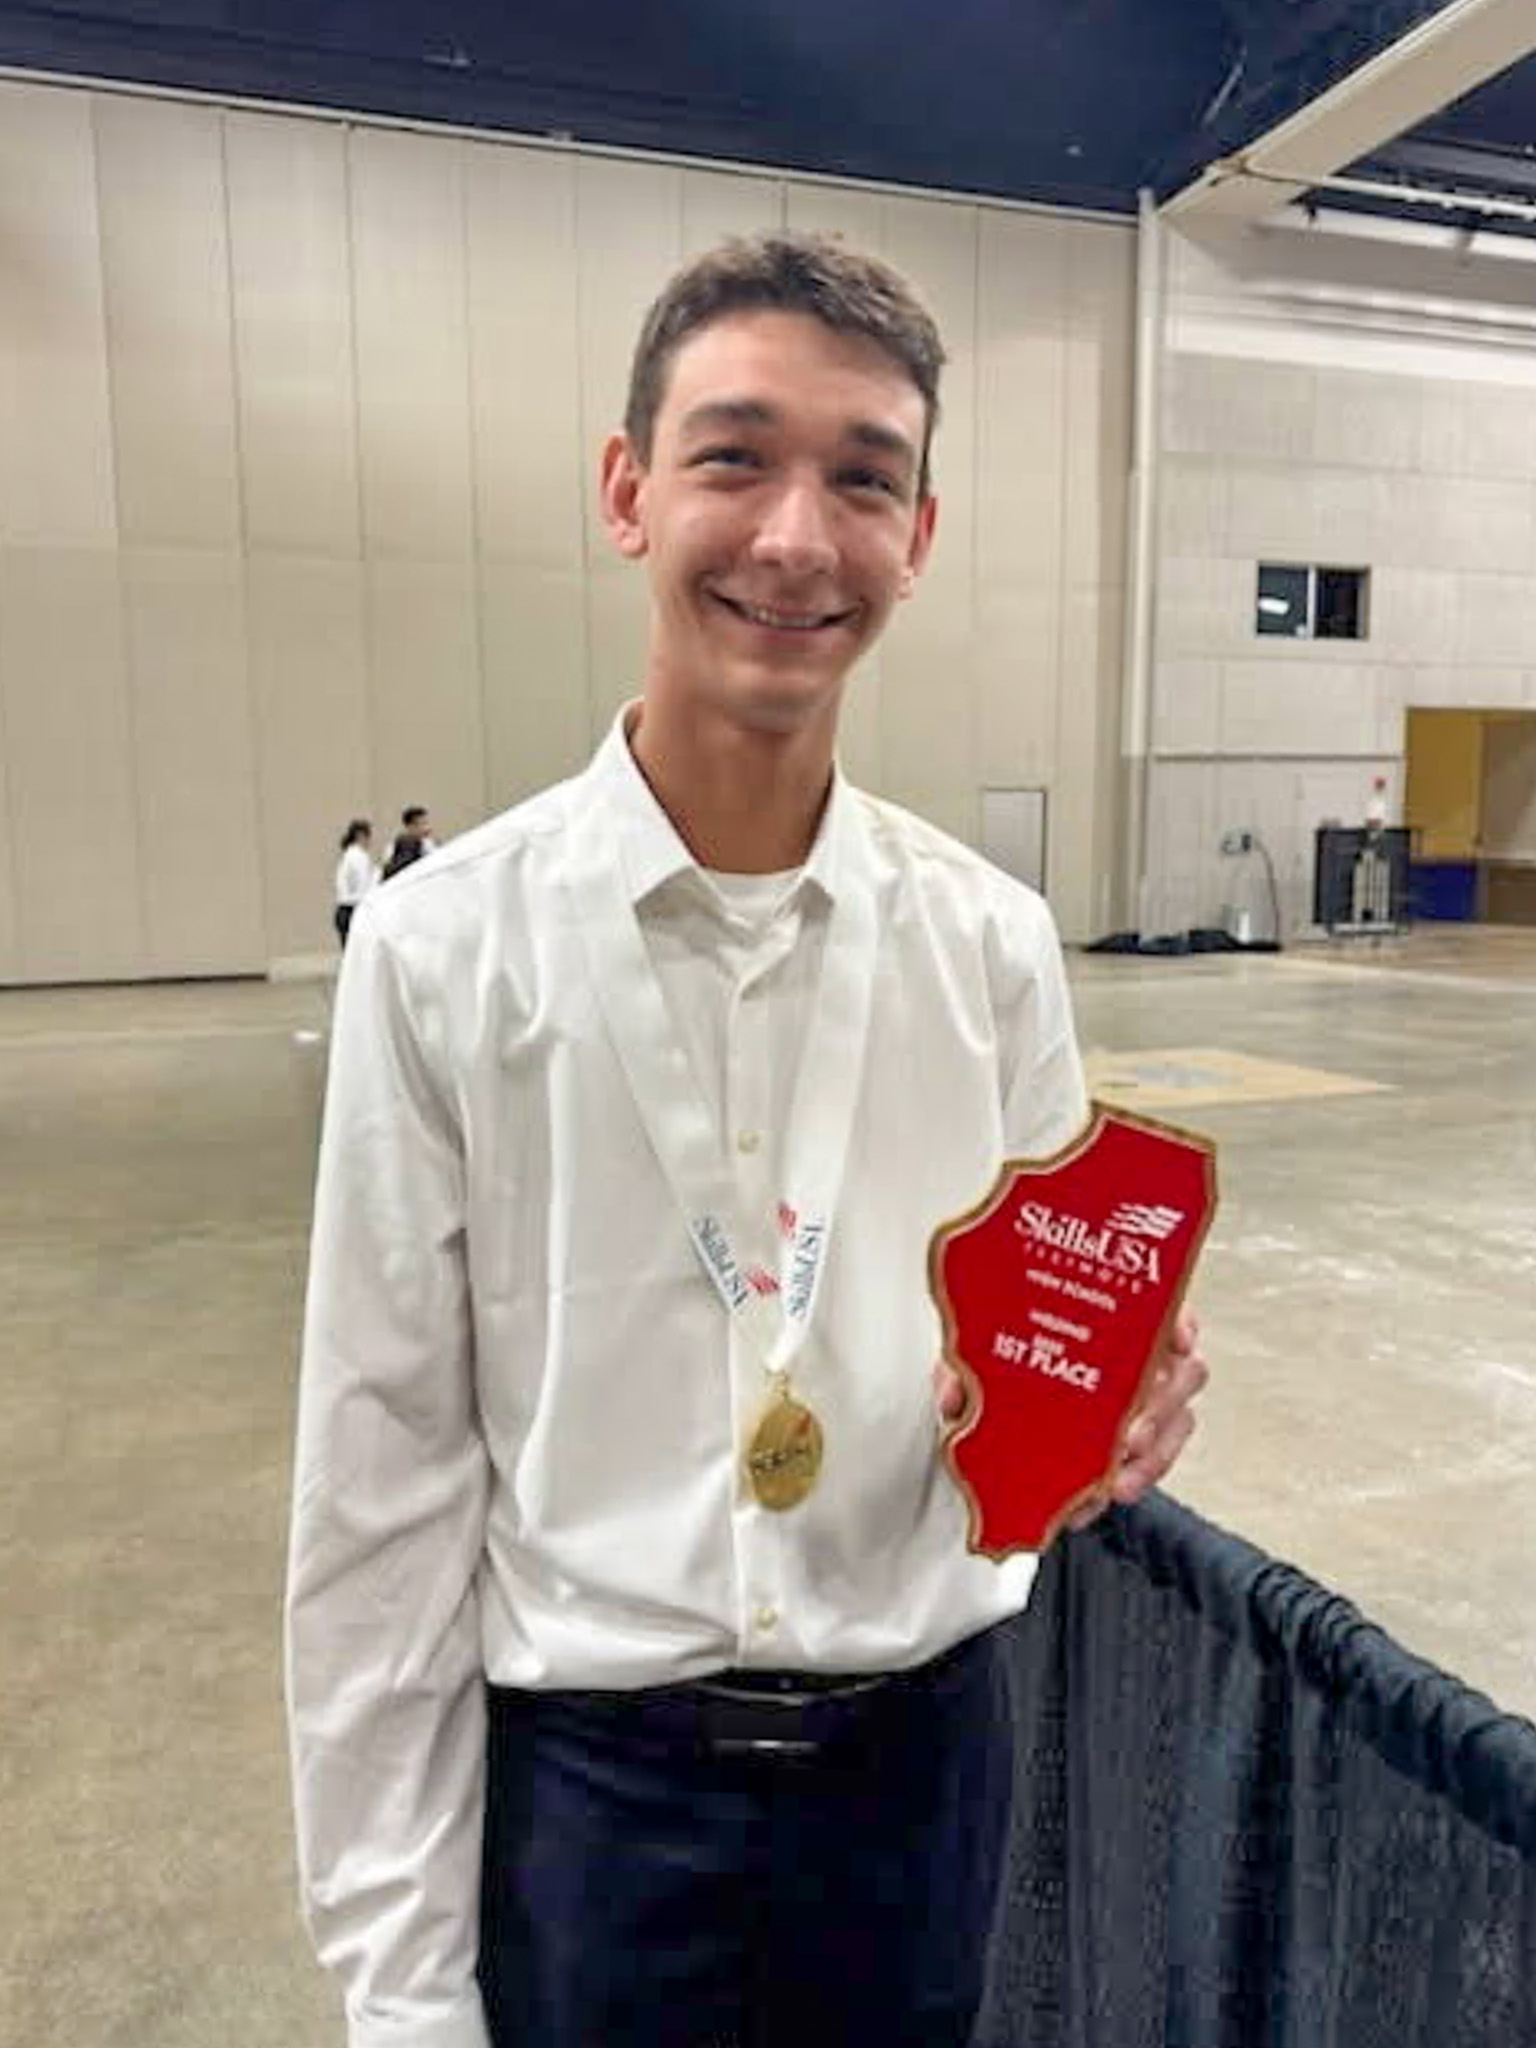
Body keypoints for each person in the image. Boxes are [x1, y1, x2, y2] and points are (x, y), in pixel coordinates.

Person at [286, 231, 1208, 2048]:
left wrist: (1103, 1423)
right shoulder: (445, 946)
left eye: (863, 477)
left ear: (919, 538)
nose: (797, 535)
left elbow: (1016, 1395)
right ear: (627, 491)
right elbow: (378, 1492)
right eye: (734, 456)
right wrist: (400, 1989)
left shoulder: (991, 947)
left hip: (919, 1781)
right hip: (590, 1809)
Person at [331, 818, 376, 947]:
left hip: (346, 910)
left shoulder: (349, 855)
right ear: (360, 835)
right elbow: (365, 887)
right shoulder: (358, 857)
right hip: (353, 911)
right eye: (369, 836)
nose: (371, 841)